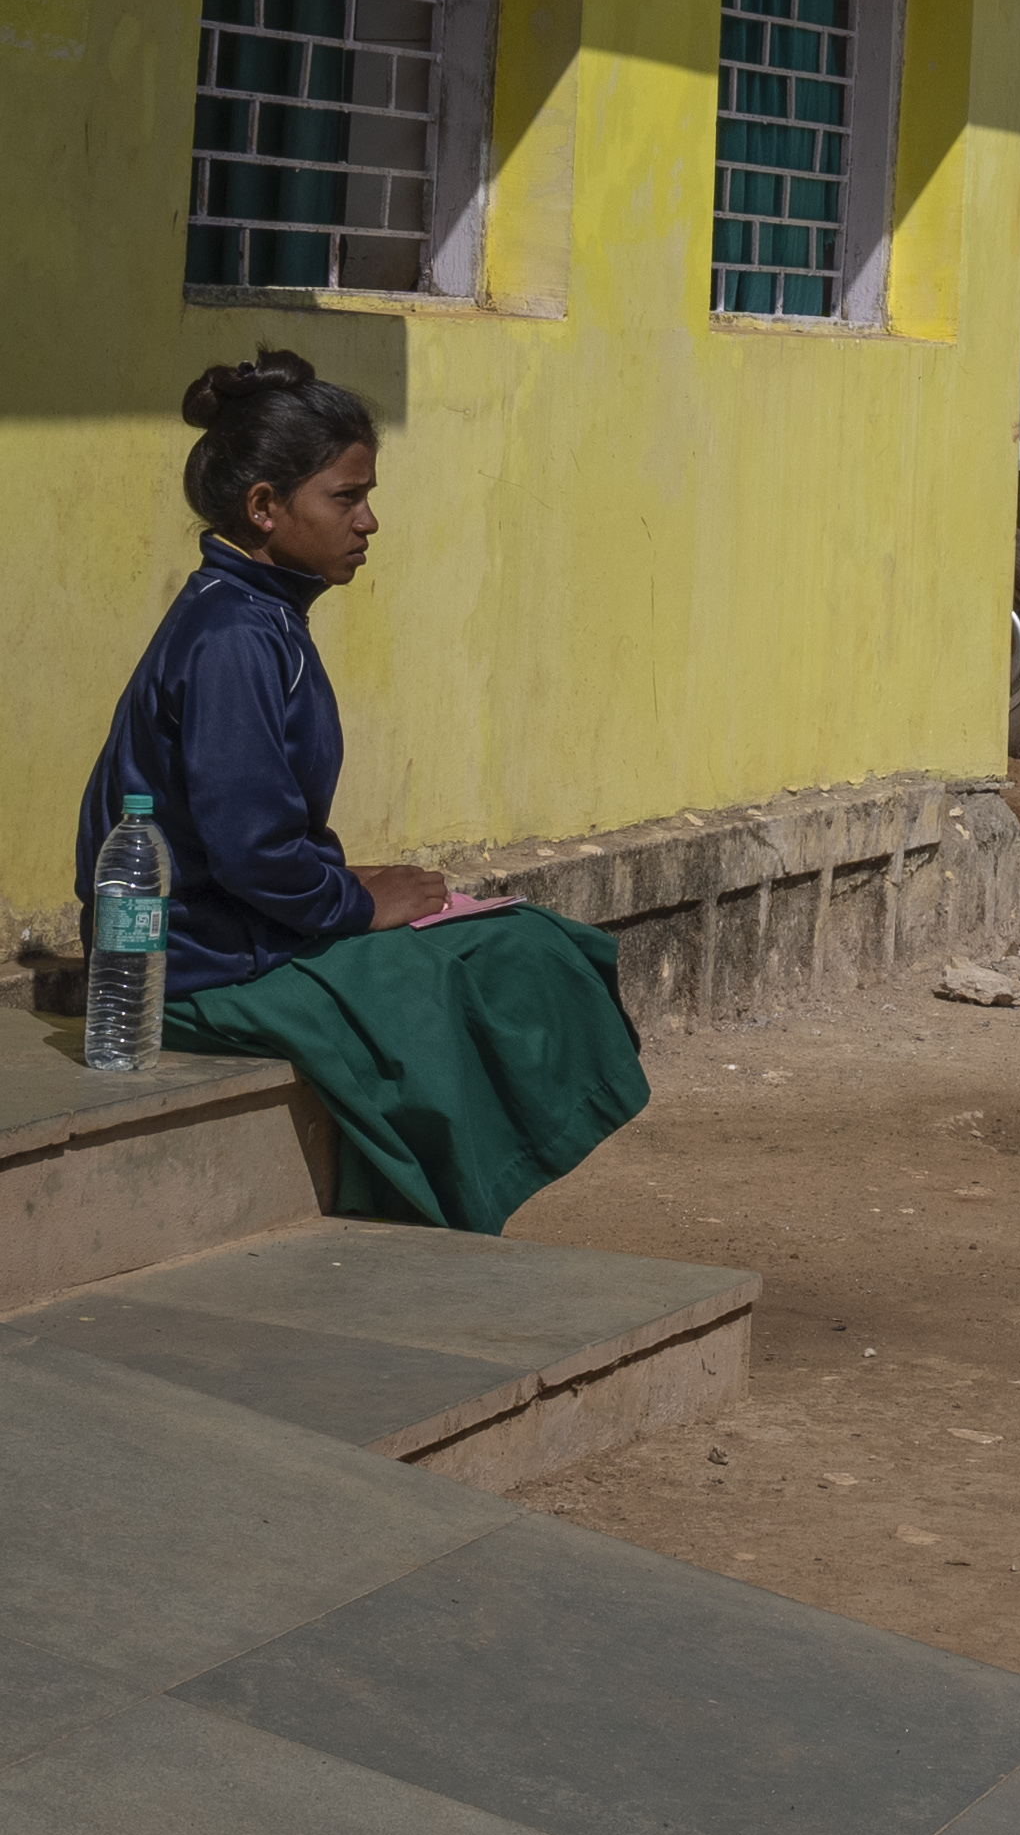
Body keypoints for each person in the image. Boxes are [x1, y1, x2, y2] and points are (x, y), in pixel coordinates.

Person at [78, 350, 649, 1233]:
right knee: (504, 961)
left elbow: (253, 832)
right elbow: (251, 852)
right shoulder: (235, 637)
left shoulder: (260, 614)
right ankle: (426, 1214)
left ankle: (448, 1201)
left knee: (523, 939)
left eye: (367, 496)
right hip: (195, 965)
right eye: (346, 498)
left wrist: (348, 882)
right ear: (264, 507)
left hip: (238, 928)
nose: (369, 521)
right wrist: (350, 902)